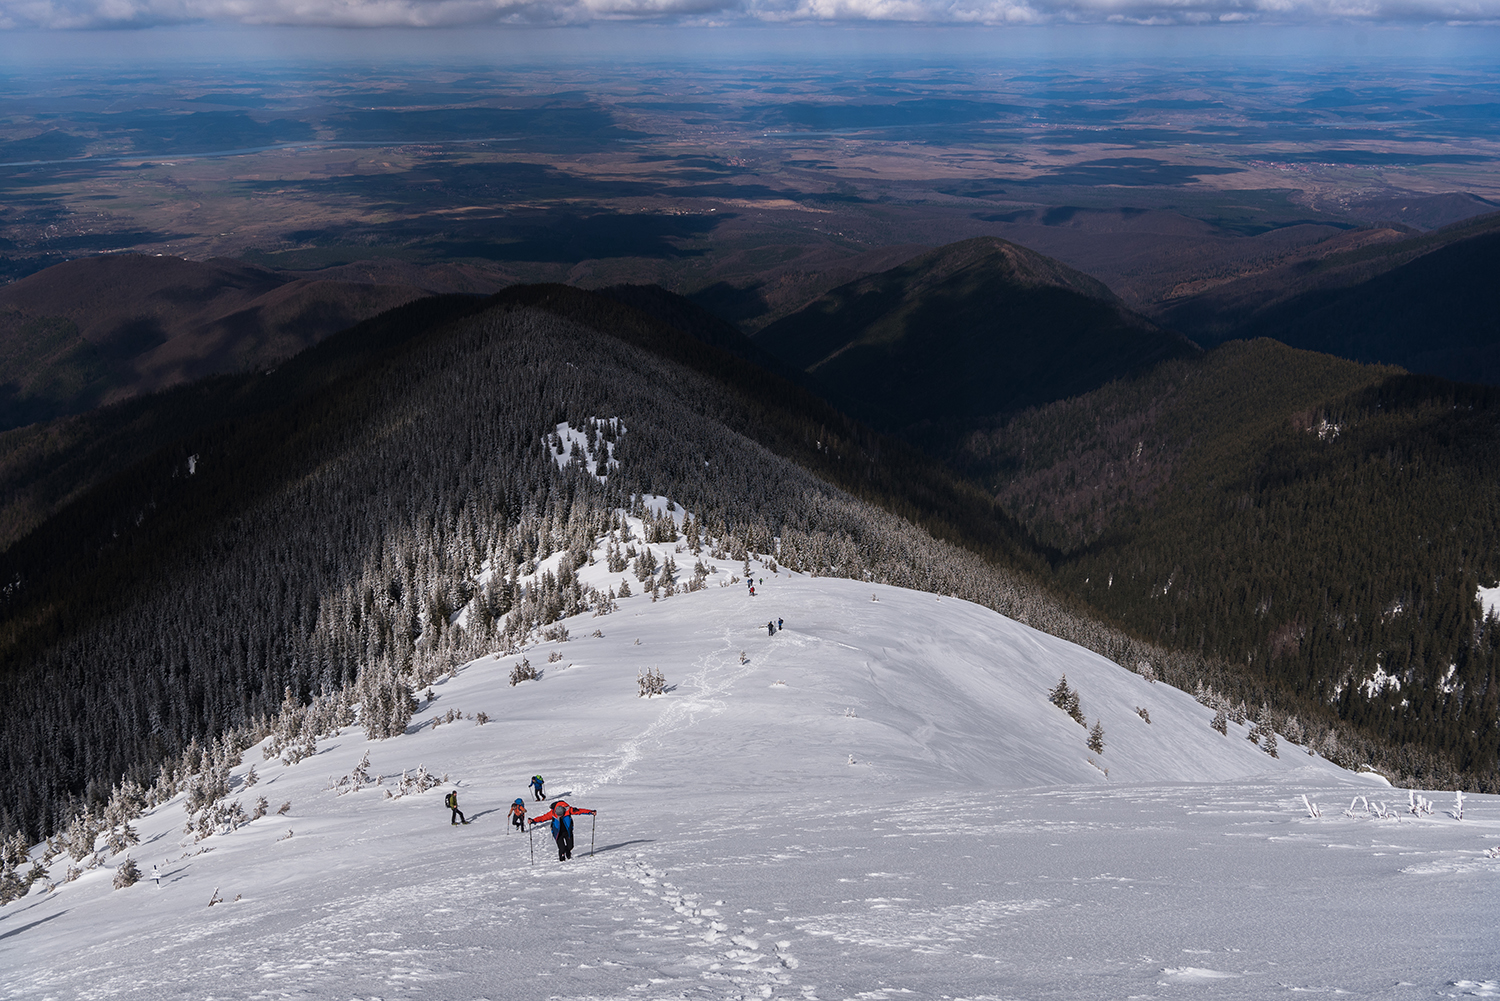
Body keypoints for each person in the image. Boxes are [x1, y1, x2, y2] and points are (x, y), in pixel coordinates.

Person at [530, 799, 596, 861]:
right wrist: (533, 820)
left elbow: (579, 811)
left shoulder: (569, 810)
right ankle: (562, 860)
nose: (560, 816)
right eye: (558, 815)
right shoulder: (552, 812)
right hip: (557, 833)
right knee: (561, 848)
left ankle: (568, 851)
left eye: (561, 815)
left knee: (570, 846)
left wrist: (590, 812)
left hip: (567, 832)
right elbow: (543, 818)